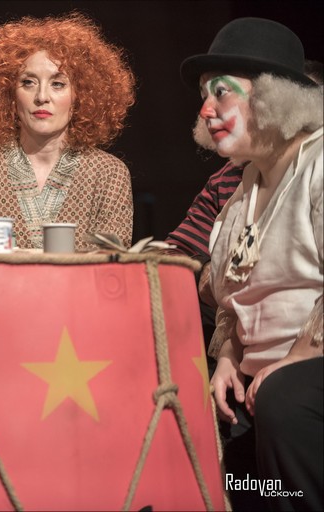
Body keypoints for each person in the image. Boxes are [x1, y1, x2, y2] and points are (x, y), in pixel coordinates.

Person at [180, 17, 323, 511]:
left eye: (221, 92)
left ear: (273, 98)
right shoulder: (239, 198)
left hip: (305, 377)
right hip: (263, 381)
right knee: (218, 433)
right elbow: (233, 300)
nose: (206, 109)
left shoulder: (319, 165)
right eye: (204, 95)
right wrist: (227, 357)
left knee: (285, 399)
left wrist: (299, 355)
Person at [0, 14, 135, 250]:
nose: (41, 97)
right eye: (28, 82)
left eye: (57, 84)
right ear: (10, 94)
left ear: (80, 96)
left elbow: (111, 268)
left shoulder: (108, 174)